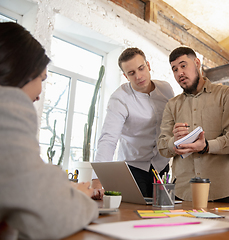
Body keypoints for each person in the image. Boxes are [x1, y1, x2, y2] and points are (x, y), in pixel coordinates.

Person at [0, 22, 98, 239]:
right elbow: (52, 217)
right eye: (41, 79)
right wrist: (78, 196)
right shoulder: (7, 109)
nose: (39, 93)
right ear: (22, 71)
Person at [157, 46, 229, 203]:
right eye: (174, 69)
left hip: (222, 191)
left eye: (183, 65)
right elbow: (162, 146)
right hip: (183, 193)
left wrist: (207, 146)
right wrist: (175, 141)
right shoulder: (172, 105)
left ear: (197, 63)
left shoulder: (226, 95)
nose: (179, 73)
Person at [92, 47, 174, 199]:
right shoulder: (119, 99)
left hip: (161, 166)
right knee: (134, 214)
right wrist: (97, 182)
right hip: (133, 168)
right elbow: (108, 139)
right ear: (125, 76)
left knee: (162, 215)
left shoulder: (166, 89)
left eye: (141, 68)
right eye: (131, 73)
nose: (138, 76)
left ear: (148, 65)